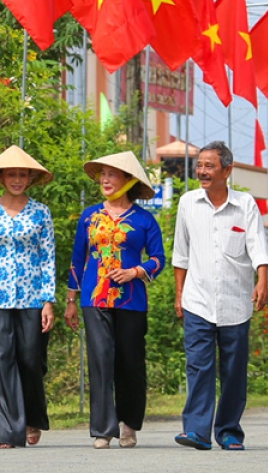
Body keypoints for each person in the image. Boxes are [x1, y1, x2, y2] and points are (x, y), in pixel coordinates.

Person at [172, 141, 268, 452]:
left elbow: (257, 245)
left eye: (209, 166)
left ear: (227, 170)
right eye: (199, 165)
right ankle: (197, 431)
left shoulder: (245, 205)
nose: (202, 171)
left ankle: (229, 431)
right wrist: (179, 294)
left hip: (235, 302)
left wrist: (263, 280)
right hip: (197, 300)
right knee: (198, 366)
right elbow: (181, 253)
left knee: (233, 370)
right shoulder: (188, 203)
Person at [64, 150, 165, 450]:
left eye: (112, 174)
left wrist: (136, 271)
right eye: (102, 174)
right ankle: (102, 430)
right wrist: (71, 298)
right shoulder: (90, 216)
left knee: (130, 363)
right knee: (100, 360)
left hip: (132, 301)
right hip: (93, 299)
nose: (105, 179)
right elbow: (77, 258)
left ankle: (129, 424)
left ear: (127, 180)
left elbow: (159, 260)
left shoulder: (145, 220)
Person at [0, 145, 56, 449]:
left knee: (30, 359)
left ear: (30, 178)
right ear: (1, 177)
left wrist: (48, 300)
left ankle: (32, 417)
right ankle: (7, 430)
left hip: (32, 297)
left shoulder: (41, 212)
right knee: (2, 360)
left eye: (22, 174)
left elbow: (48, 258)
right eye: (11, 174)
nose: (17, 179)